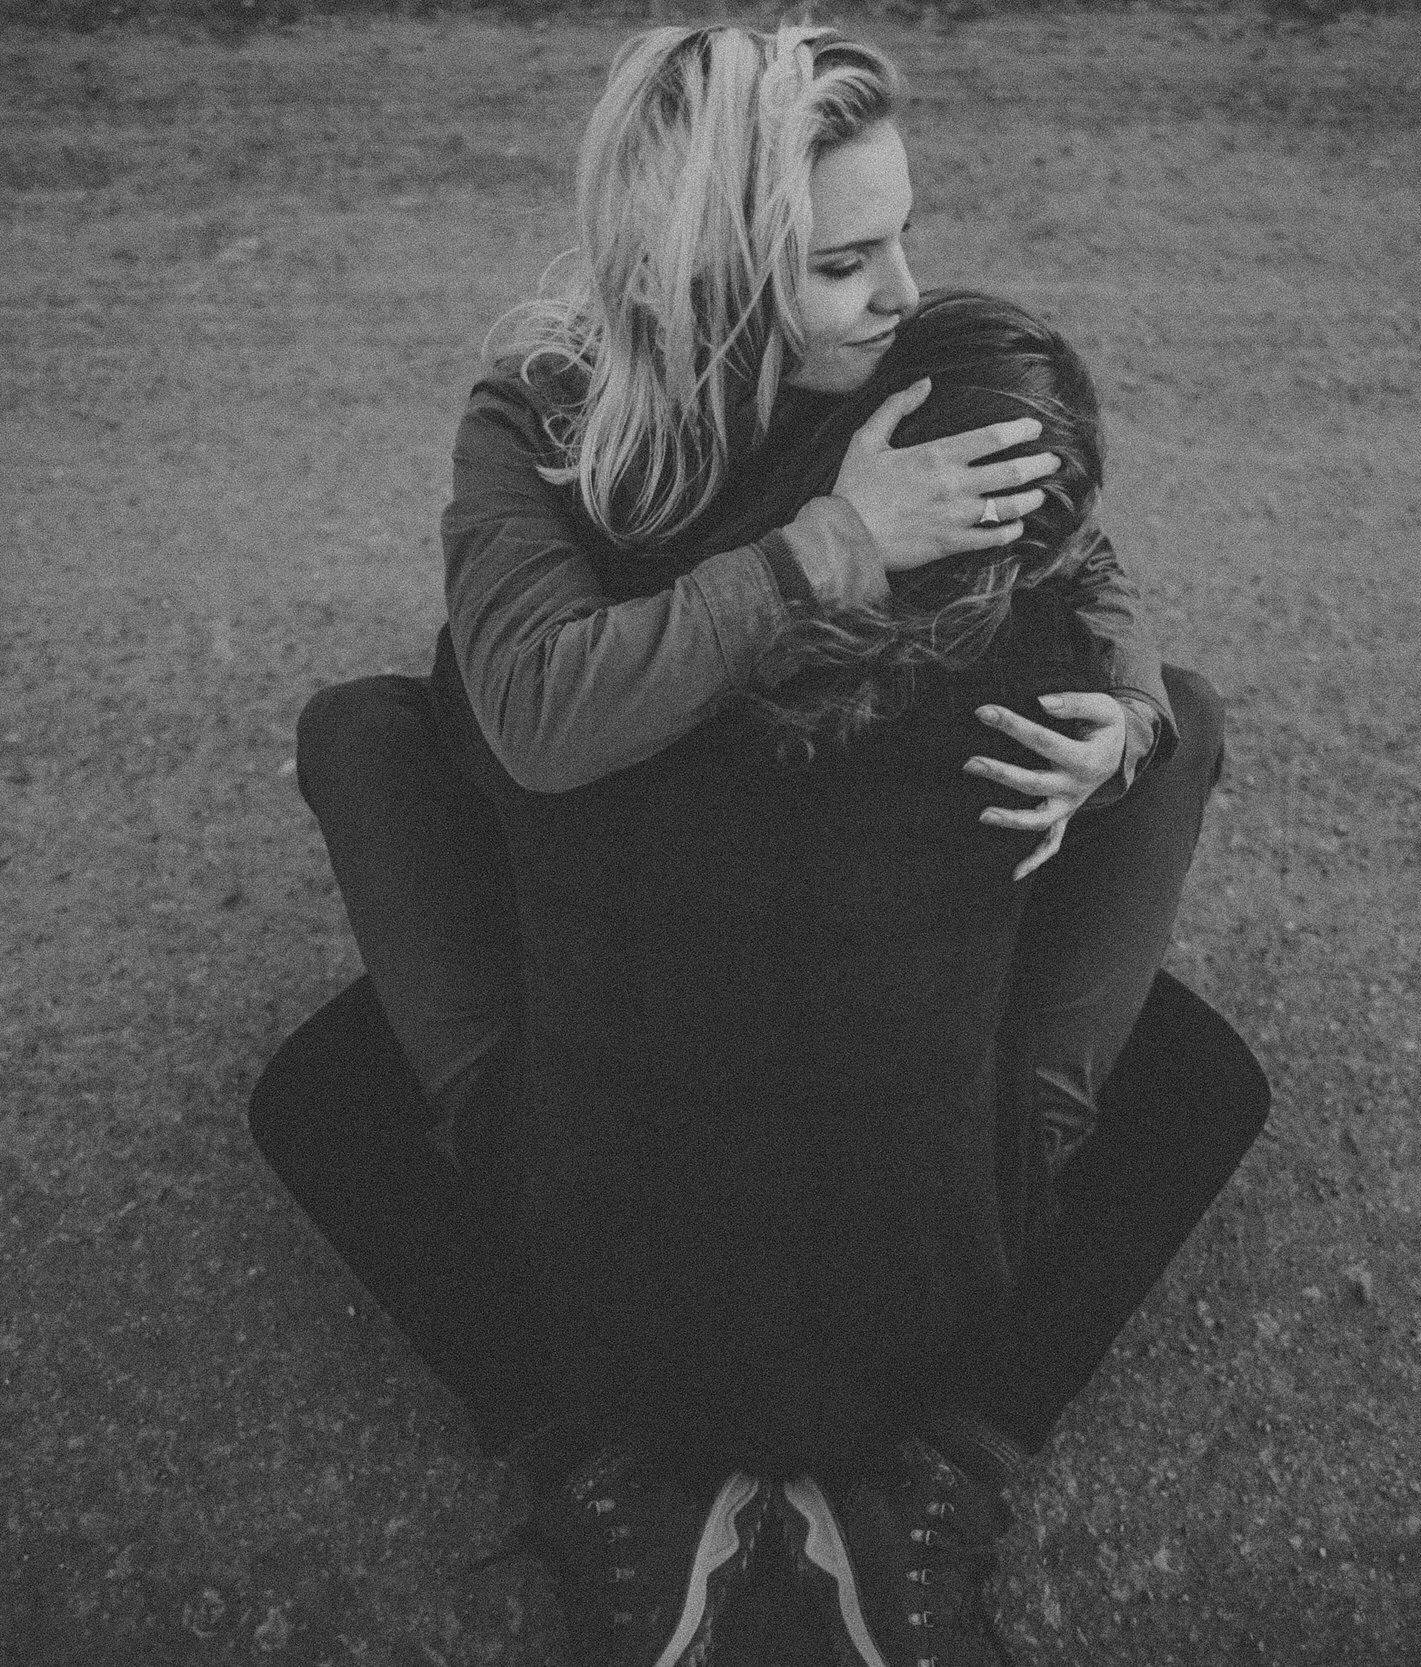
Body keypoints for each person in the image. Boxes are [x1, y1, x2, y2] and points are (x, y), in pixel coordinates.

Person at [248, 26, 1269, 1667]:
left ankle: (613, 1465)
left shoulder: (886, 390)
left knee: (377, 760)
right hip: (897, 1216)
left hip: (631, 1205)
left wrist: (1128, 716)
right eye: (844, 262)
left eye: (901, 238)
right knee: (1183, 1049)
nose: (898, 291)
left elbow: (1087, 557)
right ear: (713, 280)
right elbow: (541, 708)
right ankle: (931, 1464)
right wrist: (847, 549)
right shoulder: (558, 419)